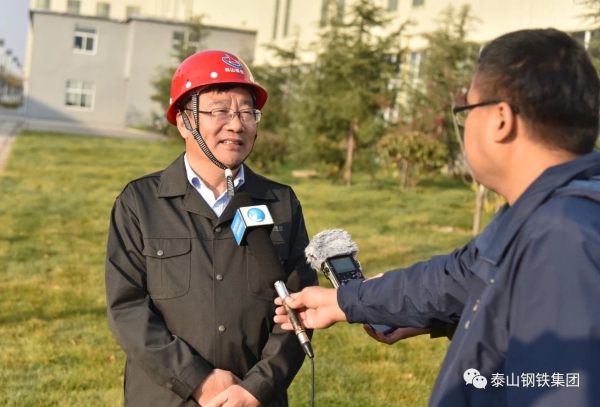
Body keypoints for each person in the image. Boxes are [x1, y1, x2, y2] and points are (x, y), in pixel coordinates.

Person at [274, 28, 600, 406]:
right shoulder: (540, 214)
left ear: (501, 119)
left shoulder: (562, 239)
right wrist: (345, 301)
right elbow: (452, 280)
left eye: (467, 111)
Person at [105, 50, 317, 407]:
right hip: (166, 398)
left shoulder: (281, 203)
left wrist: (257, 388)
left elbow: (299, 306)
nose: (236, 125)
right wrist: (197, 380)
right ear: (184, 121)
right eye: (220, 111)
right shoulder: (139, 203)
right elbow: (127, 309)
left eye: (246, 112)